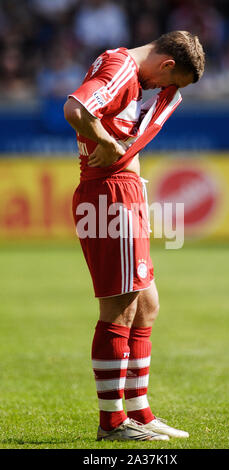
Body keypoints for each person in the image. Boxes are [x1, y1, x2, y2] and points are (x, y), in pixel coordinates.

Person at [64, 31, 205, 441]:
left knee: (146, 306)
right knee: (121, 309)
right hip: (109, 194)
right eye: (172, 82)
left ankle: (139, 414)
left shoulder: (131, 76)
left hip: (124, 191)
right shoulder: (120, 66)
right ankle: (112, 424)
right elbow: (75, 107)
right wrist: (106, 142)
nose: (166, 91)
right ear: (165, 65)